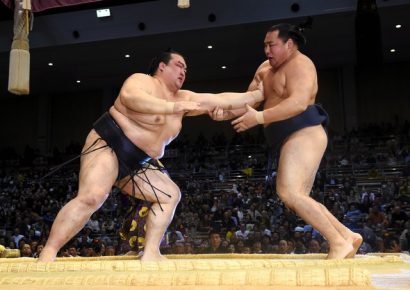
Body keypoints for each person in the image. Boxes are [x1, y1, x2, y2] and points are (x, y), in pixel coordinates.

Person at [38, 50, 263, 262]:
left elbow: (221, 99)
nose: (183, 71)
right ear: (161, 67)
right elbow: (130, 98)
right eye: (178, 65)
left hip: (139, 163)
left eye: (186, 68)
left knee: (170, 195)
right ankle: (48, 252)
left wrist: (257, 94)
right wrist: (171, 107)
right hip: (109, 143)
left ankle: (151, 252)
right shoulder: (142, 81)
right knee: (92, 197)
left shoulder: (184, 98)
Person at [210, 23, 362, 259]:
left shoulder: (302, 65)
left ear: (289, 44)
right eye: (264, 46)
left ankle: (337, 242)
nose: (266, 51)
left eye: (271, 45)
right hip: (287, 136)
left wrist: (258, 118)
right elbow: (249, 101)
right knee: (298, 196)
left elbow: (298, 102)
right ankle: (347, 235)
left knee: (289, 192)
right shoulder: (264, 69)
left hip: (305, 130)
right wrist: (226, 113)